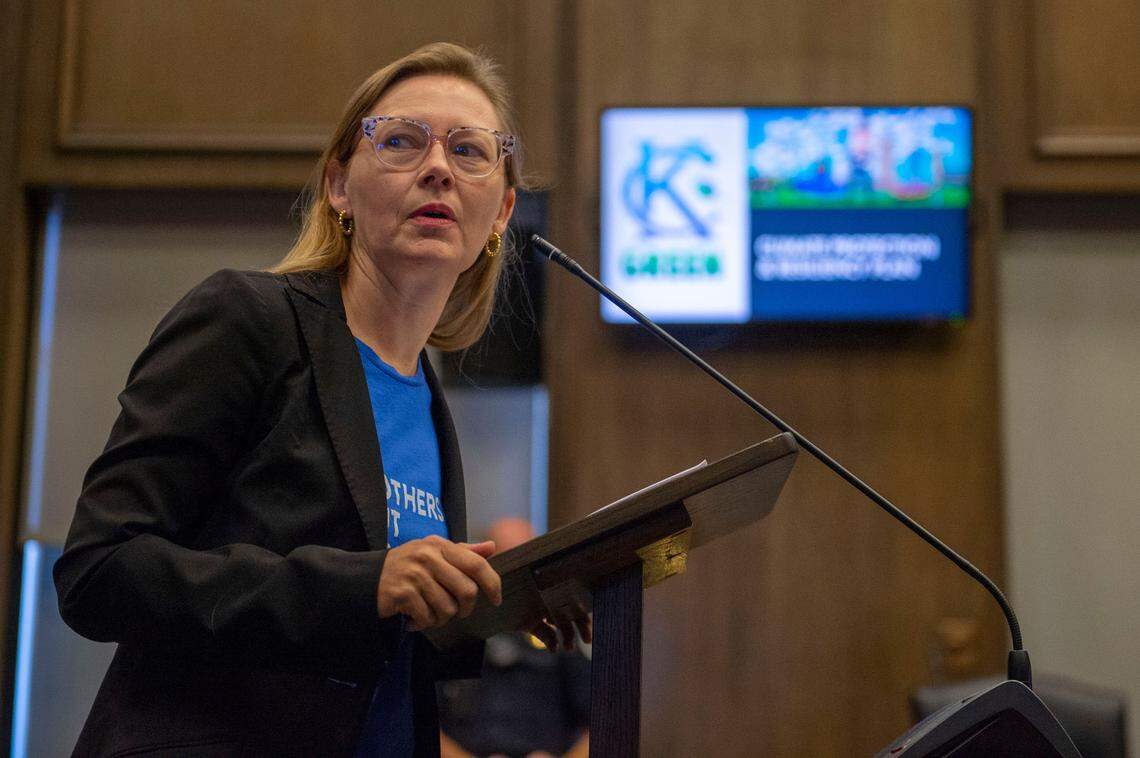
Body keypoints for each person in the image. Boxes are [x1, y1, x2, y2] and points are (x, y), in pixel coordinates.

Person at [51, 42, 566, 758]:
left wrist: (501, 606)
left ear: (503, 210)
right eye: (402, 141)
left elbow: (378, 643)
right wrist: (364, 585)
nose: (439, 168)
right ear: (339, 186)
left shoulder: (427, 400)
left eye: (469, 150)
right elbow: (100, 572)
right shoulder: (248, 320)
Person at [438, 518, 590, 758]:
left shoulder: (561, 636)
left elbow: (602, 722)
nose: (517, 575)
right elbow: (420, 723)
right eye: (508, 559)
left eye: (527, 560)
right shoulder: (455, 632)